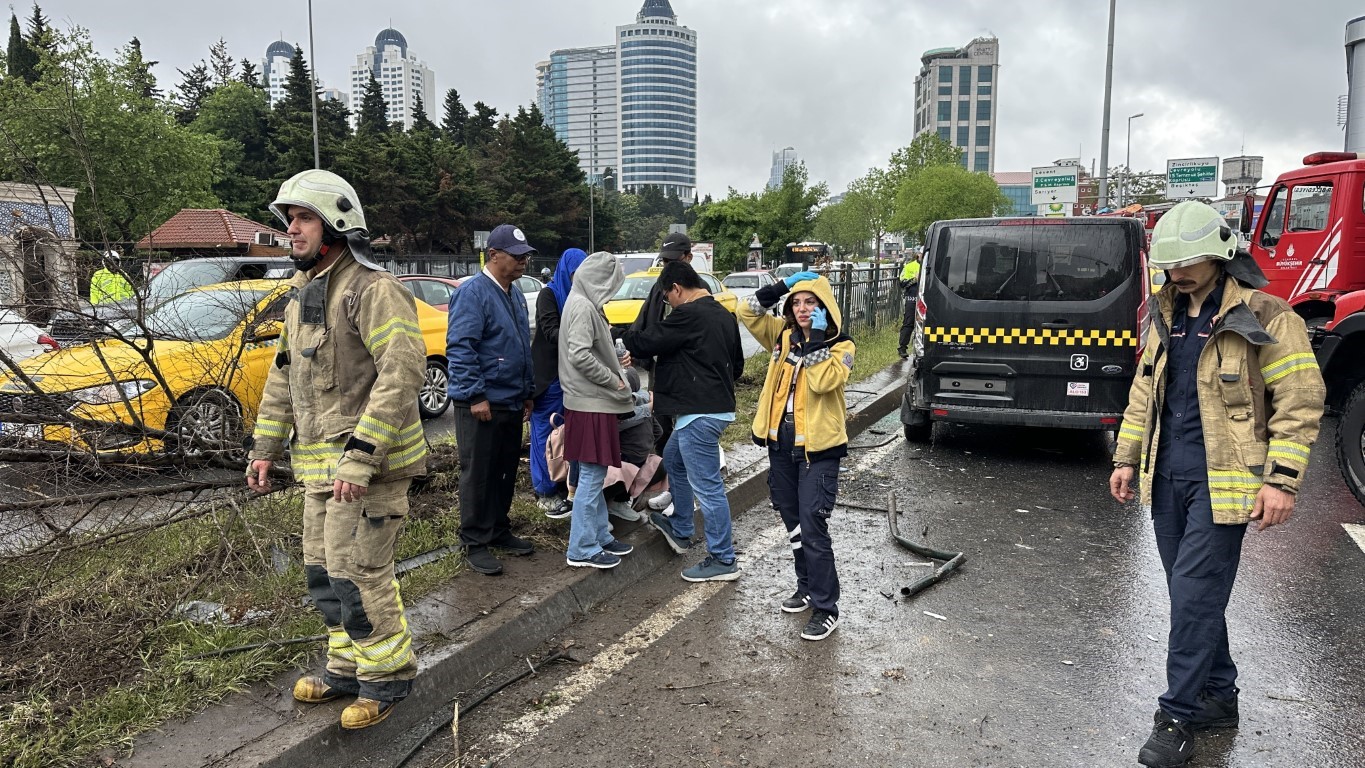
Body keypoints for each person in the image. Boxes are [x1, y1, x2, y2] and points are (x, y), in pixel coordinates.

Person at [1107, 201, 1325, 768]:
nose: (1178, 274)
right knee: (1193, 596)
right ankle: (1219, 695)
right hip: (1168, 477)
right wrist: (1126, 457)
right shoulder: (1165, 315)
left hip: (1224, 483)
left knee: (1194, 596)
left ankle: (1177, 716)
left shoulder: (1267, 316)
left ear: (1221, 255)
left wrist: (1281, 481)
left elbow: (1299, 404)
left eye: (1190, 263)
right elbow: (1143, 392)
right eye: (1171, 264)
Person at [246, 169, 427, 730]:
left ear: (336, 226)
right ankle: (346, 667)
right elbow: (283, 377)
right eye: (289, 220)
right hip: (320, 474)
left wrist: (361, 455)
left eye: (302, 219)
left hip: (369, 471)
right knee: (323, 572)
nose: (291, 230)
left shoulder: (373, 290)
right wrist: (264, 446)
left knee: (360, 573)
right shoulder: (303, 297)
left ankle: (388, 678)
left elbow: (401, 373)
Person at [738, 269, 855, 641]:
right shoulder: (783, 336)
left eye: (811, 302)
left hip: (818, 451)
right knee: (793, 524)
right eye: (798, 303)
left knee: (813, 524)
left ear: (825, 307)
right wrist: (785, 285)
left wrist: (817, 338)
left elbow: (823, 382)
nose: (803, 309)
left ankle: (826, 607)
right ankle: (805, 586)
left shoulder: (842, 347)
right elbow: (747, 311)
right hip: (780, 445)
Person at [621, 260, 745, 582]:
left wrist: (617, 335)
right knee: (673, 460)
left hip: (699, 415)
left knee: (708, 488)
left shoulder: (688, 314)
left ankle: (723, 558)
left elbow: (648, 341)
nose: (668, 304)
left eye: (666, 298)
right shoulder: (724, 316)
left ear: (677, 289)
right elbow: (739, 367)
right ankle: (681, 527)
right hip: (712, 411)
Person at [446, 224, 536, 577]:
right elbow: (461, 347)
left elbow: (520, 347)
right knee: (479, 473)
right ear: (494, 255)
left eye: (525, 256)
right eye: (516, 256)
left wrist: (527, 391)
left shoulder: (512, 292)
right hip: (482, 403)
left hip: (511, 399)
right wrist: (474, 395)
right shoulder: (473, 293)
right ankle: (474, 539)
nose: (523, 262)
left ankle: (498, 528)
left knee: (504, 470)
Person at [559, 251, 637, 569]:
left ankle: (599, 536)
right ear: (600, 280)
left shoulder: (582, 302)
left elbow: (587, 350)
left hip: (589, 401)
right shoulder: (582, 306)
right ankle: (581, 547)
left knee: (595, 473)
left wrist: (614, 364)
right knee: (592, 476)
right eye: (611, 284)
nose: (612, 290)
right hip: (590, 402)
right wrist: (613, 380)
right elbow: (579, 355)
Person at [530, 248, 588, 519]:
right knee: (546, 433)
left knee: (569, 435)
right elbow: (550, 330)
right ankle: (545, 491)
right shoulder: (549, 294)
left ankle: (566, 485)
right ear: (566, 271)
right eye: (575, 274)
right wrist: (582, 338)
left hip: (574, 377)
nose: (579, 279)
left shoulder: (585, 296)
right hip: (550, 378)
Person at [896, 250, 921, 360]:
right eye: (921, 253)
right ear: (918, 254)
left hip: (927, 299)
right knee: (909, 322)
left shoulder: (932, 265)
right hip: (912, 298)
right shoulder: (909, 266)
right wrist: (914, 279)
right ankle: (902, 348)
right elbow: (902, 282)